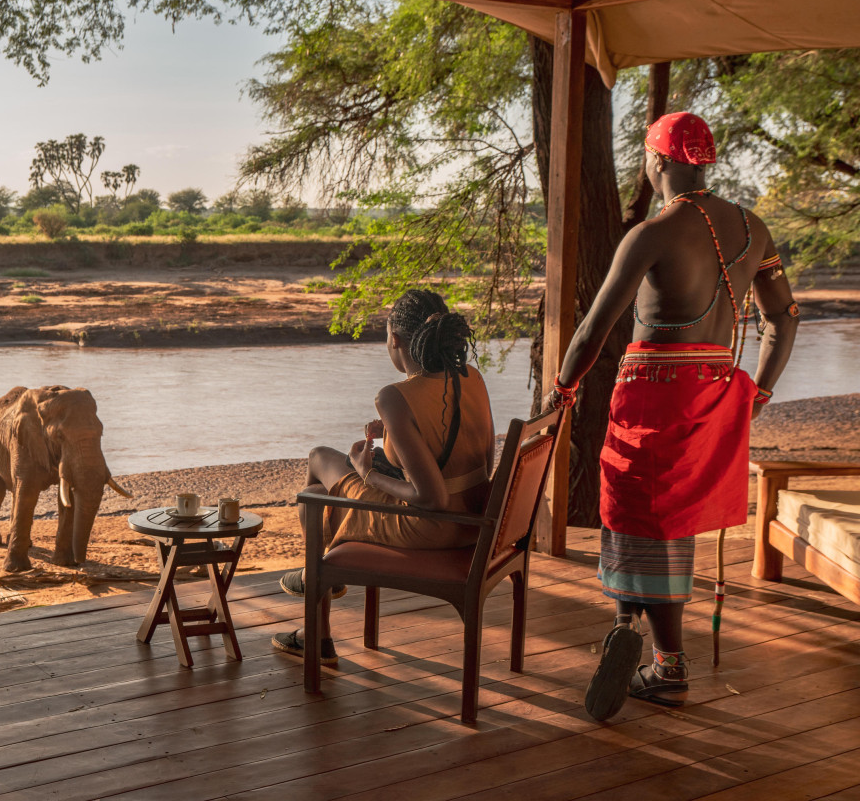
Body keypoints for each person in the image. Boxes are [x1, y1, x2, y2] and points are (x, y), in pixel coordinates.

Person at [552, 112, 798, 721]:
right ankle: (632, 634)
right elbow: (784, 319)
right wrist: (756, 396)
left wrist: (561, 389)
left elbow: (592, 330)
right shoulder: (752, 227)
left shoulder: (650, 234)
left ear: (657, 161)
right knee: (668, 516)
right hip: (712, 393)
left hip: (653, 392)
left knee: (640, 509)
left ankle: (668, 665)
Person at [272, 289, 495, 665]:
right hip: (475, 520)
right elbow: (482, 465)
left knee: (317, 461)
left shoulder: (394, 396)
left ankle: (319, 588)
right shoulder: (469, 375)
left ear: (394, 339)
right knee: (315, 490)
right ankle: (318, 600)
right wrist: (397, 443)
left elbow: (432, 499)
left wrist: (370, 473)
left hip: (431, 526)